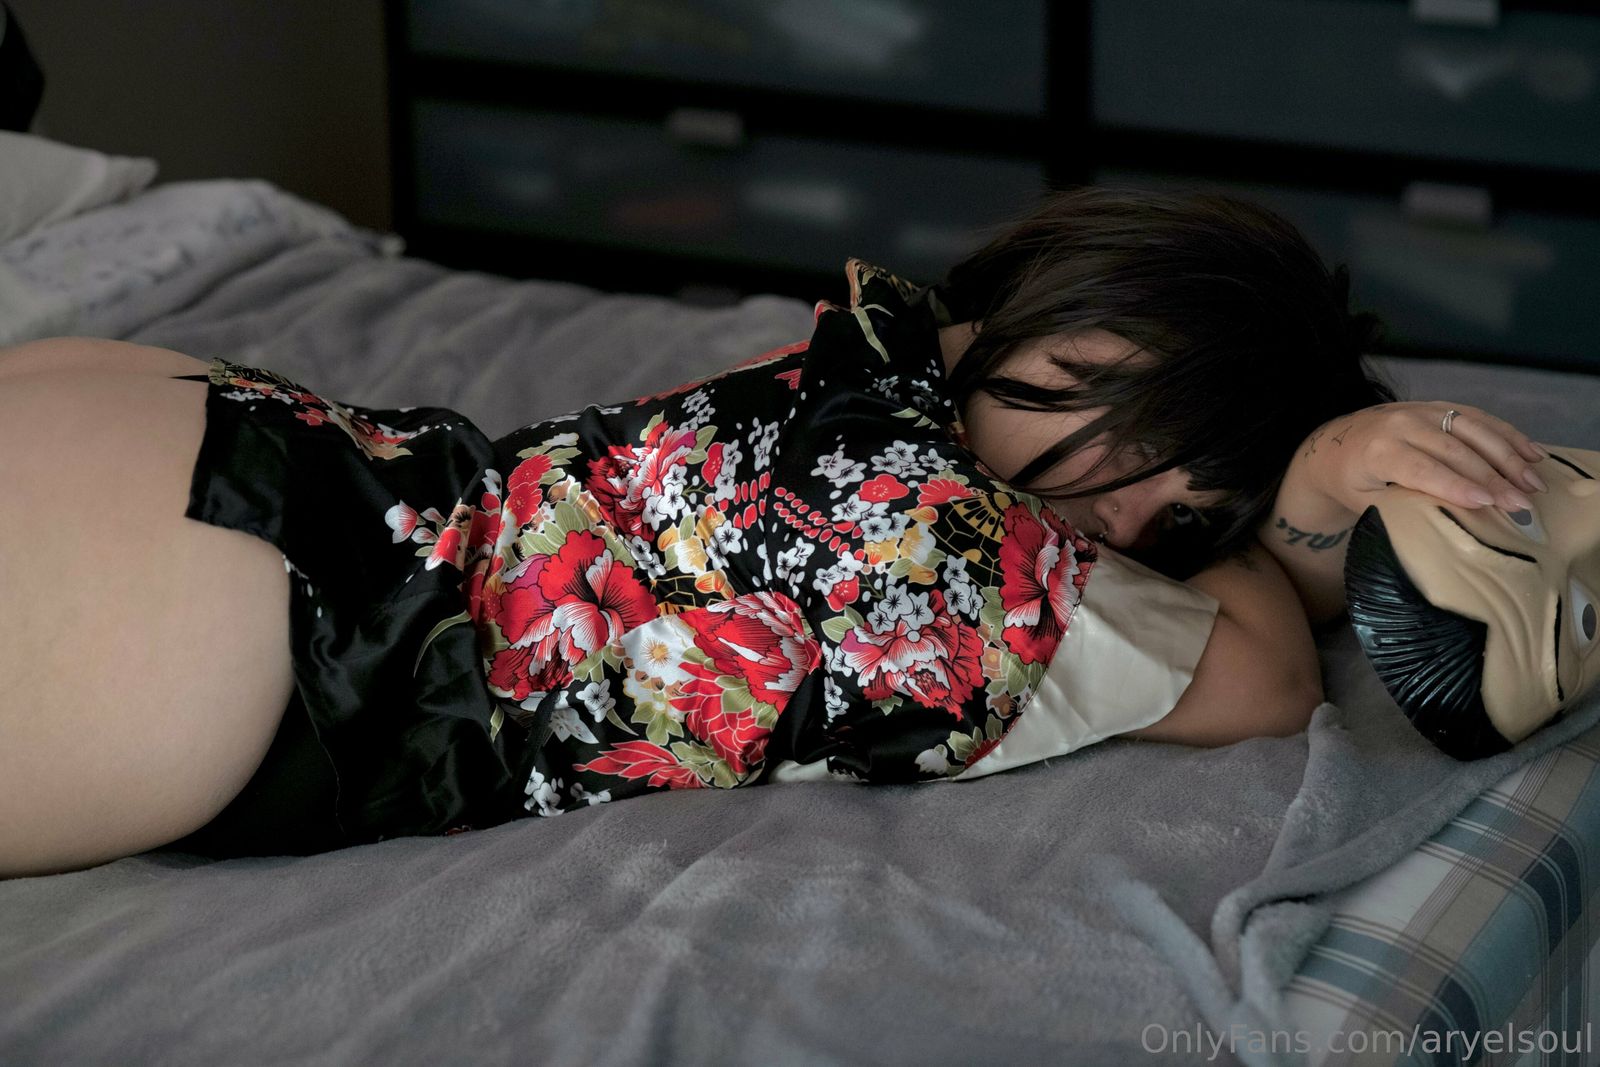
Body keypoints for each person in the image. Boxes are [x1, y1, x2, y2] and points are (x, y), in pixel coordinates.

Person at [0, 187, 1548, 879]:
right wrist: (1311, 490)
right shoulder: (954, 558)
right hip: (237, 604)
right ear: (1060, 308)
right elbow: (1264, 677)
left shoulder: (868, 346)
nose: (1125, 514)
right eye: (1128, 424)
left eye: (1190, 515)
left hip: (216, 446)